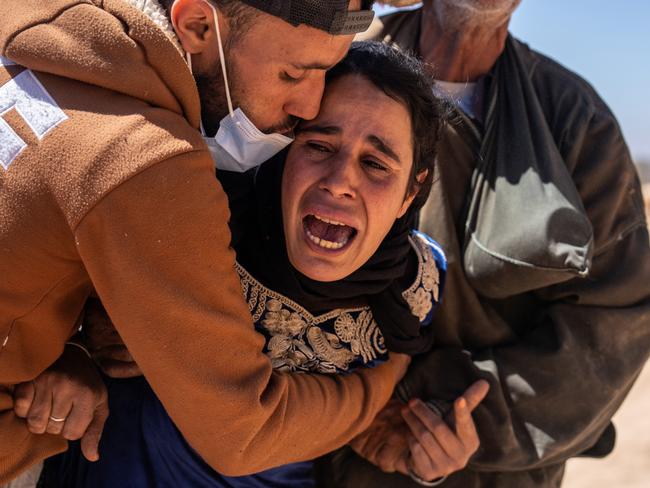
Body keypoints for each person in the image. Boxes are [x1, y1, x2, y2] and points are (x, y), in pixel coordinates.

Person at [28, 42, 488, 488]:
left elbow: (372, 423)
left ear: (413, 187)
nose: (341, 181)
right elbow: (67, 293)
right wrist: (75, 353)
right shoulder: (200, 219)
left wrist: (426, 452)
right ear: (284, 147)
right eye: (319, 147)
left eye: (375, 164)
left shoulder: (417, 286)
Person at [319, 0, 650, 486]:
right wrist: (347, 402)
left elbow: (614, 324)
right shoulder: (334, 61)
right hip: (338, 449)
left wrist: (444, 409)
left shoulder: (574, 117)